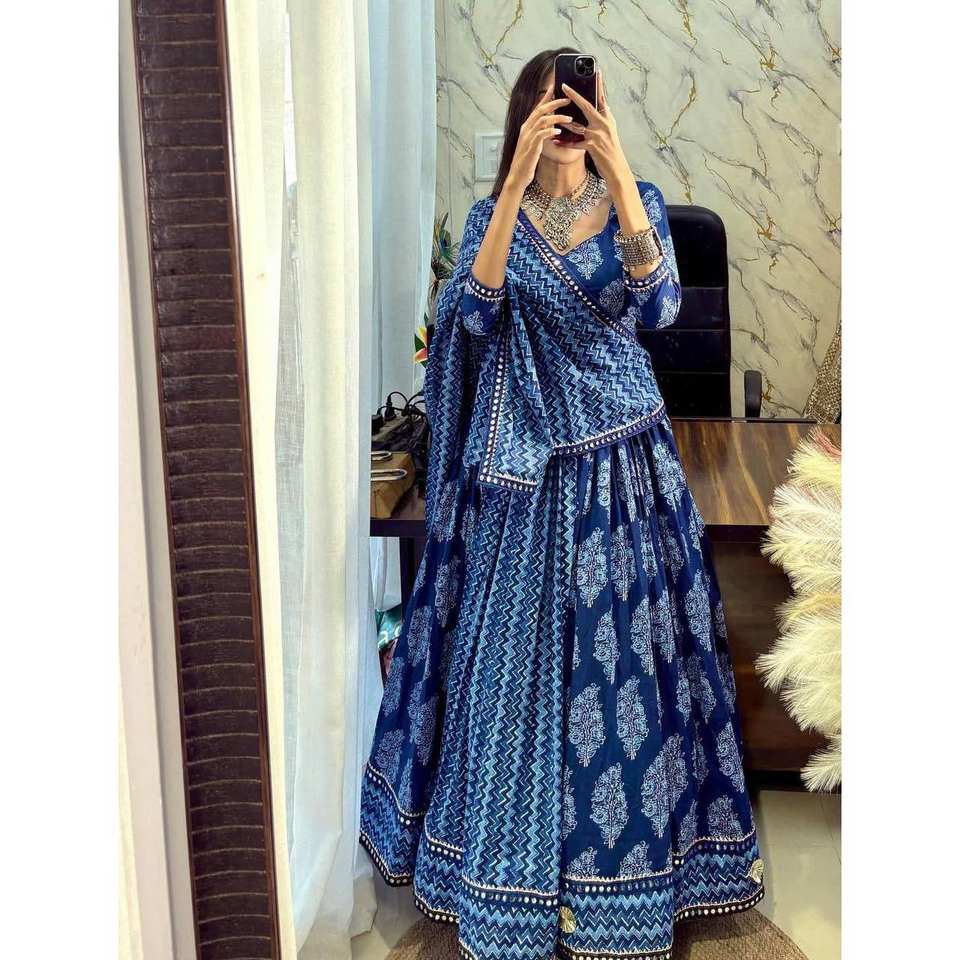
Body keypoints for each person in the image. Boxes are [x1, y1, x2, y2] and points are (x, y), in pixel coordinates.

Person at [359, 47, 764, 960]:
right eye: (555, 104)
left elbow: (659, 308)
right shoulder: (490, 216)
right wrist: (511, 185)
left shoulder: (637, 200)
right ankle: (505, 879)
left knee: (632, 674)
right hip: (526, 474)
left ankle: (631, 882)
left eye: (584, 103)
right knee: (515, 672)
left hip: (624, 463)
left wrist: (618, 168)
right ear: (526, 115)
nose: (570, 118)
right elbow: (474, 313)